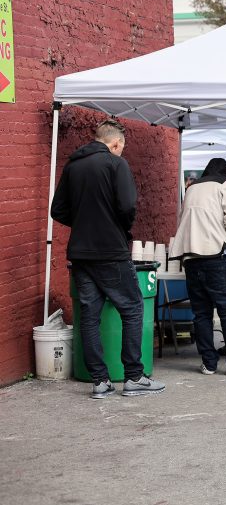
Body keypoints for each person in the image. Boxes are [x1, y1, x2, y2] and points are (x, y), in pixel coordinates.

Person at [50, 119, 166, 399]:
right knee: (132, 308)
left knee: (89, 317)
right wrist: (118, 228)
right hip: (110, 251)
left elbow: (58, 210)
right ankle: (134, 377)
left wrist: (82, 222)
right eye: (121, 148)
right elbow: (127, 206)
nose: (121, 152)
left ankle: (100, 382)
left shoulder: (73, 166)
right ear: (115, 143)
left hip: (80, 253)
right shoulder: (116, 165)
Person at [169, 158, 226, 376]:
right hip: (216, 254)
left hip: (190, 257)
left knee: (201, 313)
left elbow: (182, 220)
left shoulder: (192, 188)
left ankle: (208, 362)